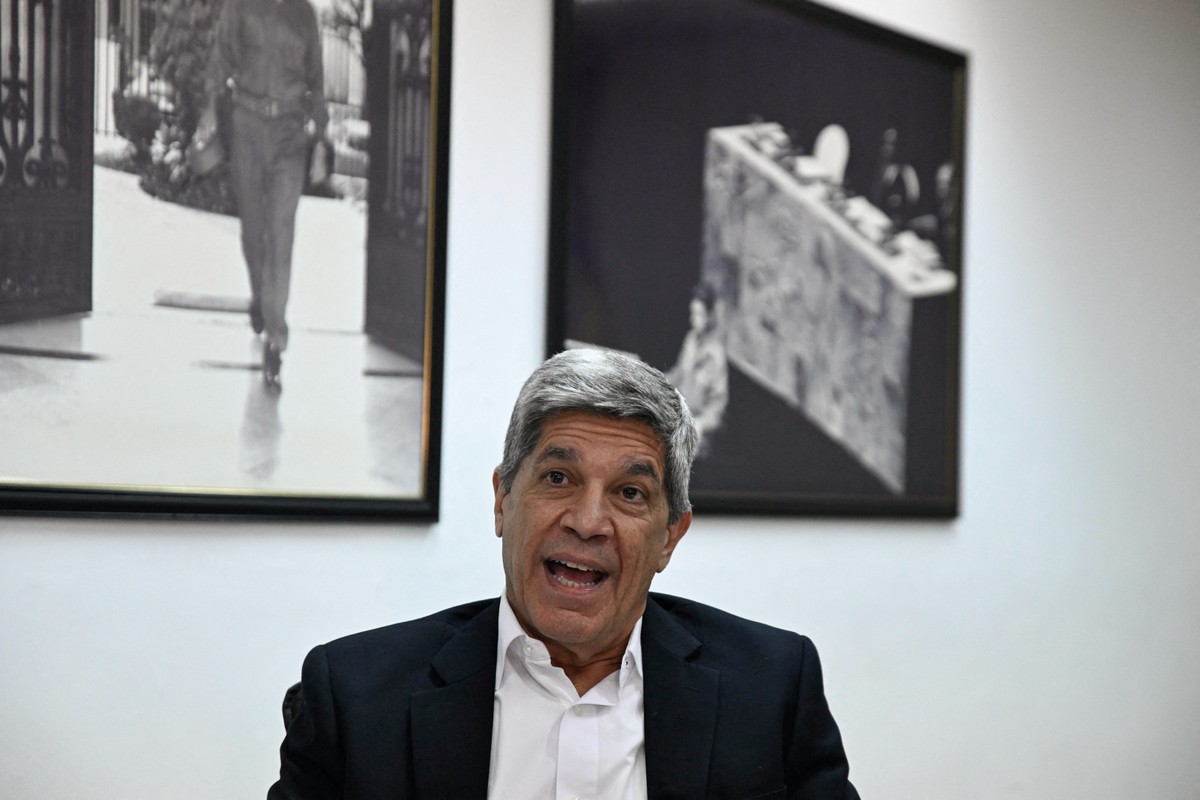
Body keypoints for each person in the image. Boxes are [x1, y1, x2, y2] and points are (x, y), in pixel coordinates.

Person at [268, 348, 859, 799]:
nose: (588, 521)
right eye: (558, 478)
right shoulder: (356, 697)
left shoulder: (771, 687)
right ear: (503, 501)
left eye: (630, 492)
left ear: (669, 537)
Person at [200, 0, 329, 390]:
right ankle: (260, 297)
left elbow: (317, 81)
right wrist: (209, 111)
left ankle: (276, 336)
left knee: (282, 234)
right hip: (248, 127)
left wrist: (320, 140)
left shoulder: (304, 13)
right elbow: (221, 57)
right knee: (253, 233)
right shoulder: (239, 5)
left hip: (290, 134)